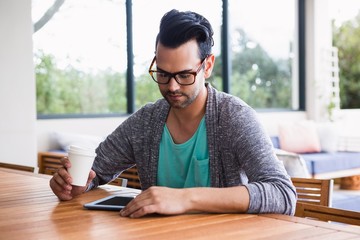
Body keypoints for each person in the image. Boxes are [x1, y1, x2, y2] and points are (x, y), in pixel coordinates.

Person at [50, 9, 297, 218]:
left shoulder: (234, 118)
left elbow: (283, 194)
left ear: (207, 66)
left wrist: (185, 198)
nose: (172, 86)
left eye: (184, 75)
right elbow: (97, 169)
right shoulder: (146, 122)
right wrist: (74, 184)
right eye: (163, 74)